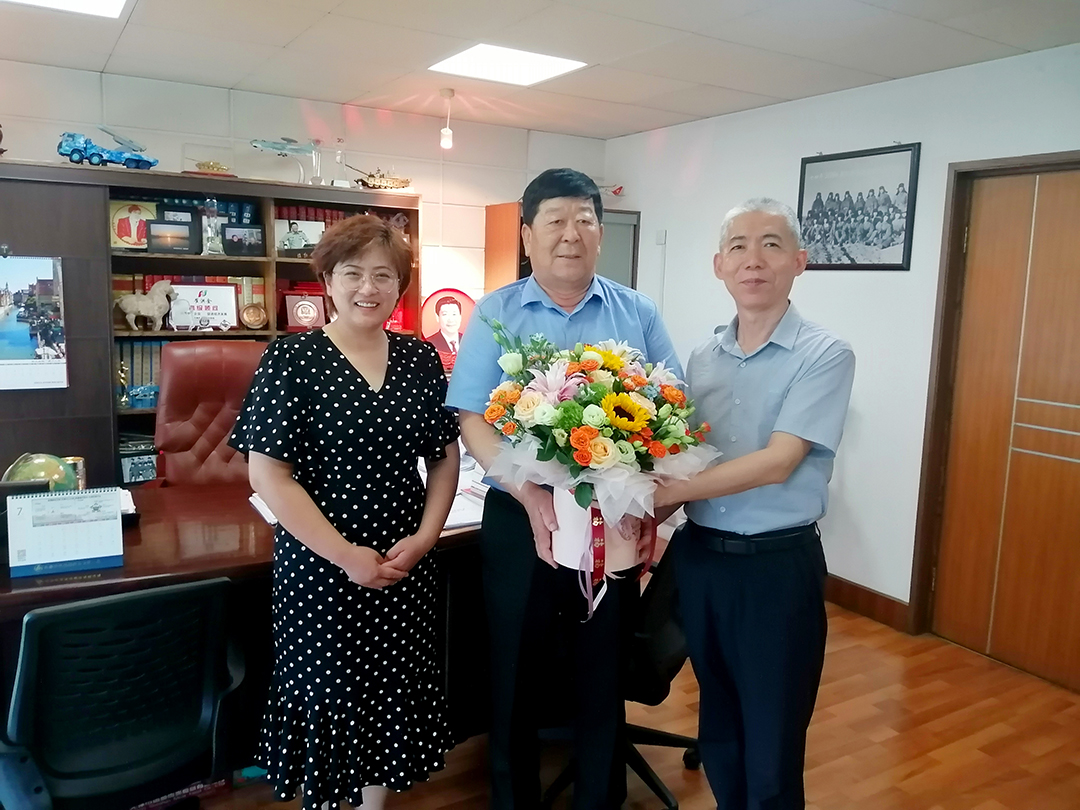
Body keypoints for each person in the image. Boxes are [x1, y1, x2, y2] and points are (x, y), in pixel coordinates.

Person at [447, 168, 682, 810]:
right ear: (527, 235)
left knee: (602, 672)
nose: (570, 234)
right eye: (554, 221)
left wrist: (650, 503)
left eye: (584, 221)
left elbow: (671, 413)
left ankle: (599, 801)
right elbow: (472, 419)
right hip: (519, 516)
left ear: (600, 234)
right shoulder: (496, 312)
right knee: (513, 672)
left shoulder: (638, 312)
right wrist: (528, 492)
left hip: (612, 520)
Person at [229, 215, 460, 810]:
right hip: (321, 571)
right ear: (328, 280)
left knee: (389, 694)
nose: (368, 287)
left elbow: (443, 457)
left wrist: (426, 537)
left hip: (403, 565)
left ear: (400, 286)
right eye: (353, 273)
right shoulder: (290, 358)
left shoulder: (420, 359)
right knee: (331, 697)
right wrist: (343, 555)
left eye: (384, 275)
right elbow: (268, 475)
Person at [654, 198, 855, 810]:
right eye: (738, 247)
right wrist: (638, 514)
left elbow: (779, 460)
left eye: (771, 245)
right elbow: (685, 455)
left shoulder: (825, 354)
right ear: (719, 265)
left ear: (799, 261)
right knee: (718, 721)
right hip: (702, 561)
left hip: (775, 568)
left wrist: (673, 494)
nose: (753, 260)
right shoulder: (702, 357)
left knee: (772, 732)